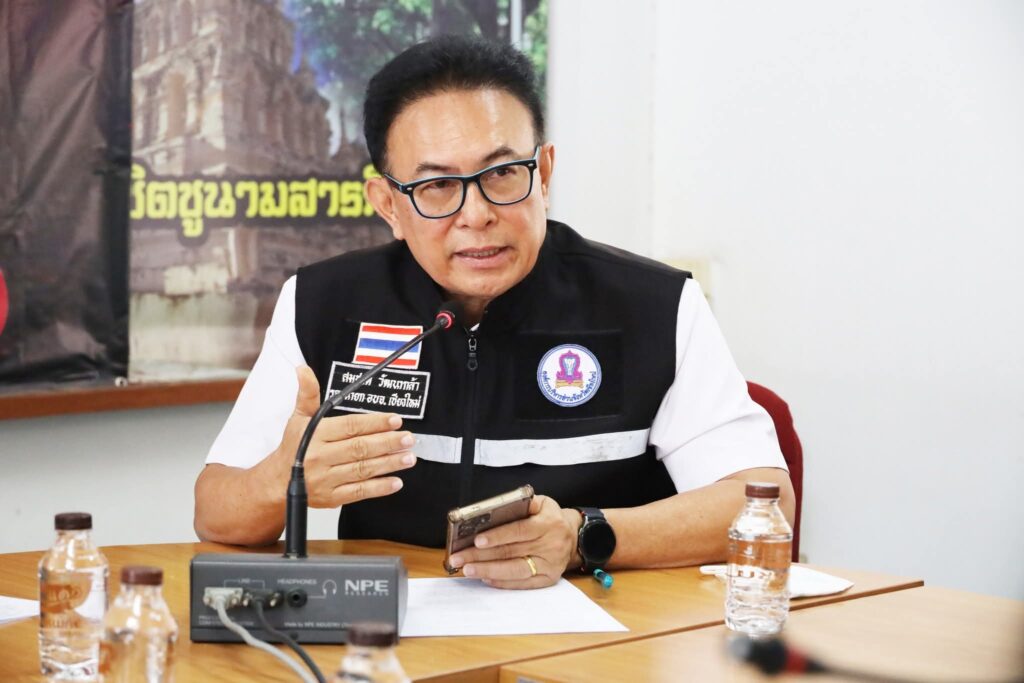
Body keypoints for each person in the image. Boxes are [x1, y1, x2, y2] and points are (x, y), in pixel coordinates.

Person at [194, 35, 794, 589]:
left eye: (504, 173)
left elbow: (764, 506)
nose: (476, 214)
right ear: (389, 205)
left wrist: (583, 536)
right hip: (396, 634)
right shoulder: (324, 303)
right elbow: (215, 510)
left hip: (600, 633)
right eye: (437, 186)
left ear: (545, 173)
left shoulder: (653, 305)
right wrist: (283, 477)